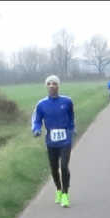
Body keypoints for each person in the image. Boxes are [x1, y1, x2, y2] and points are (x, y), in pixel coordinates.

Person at [32, 75, 76, 208]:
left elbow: (71, 117)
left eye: (54, 83)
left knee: (64, 166)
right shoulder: (41, 104)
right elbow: (37, 120)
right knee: (54, 168)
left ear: (58, 86)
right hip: (51, 141)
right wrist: (37, 129)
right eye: (49, 84)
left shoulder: (67, 101)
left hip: (65, 140)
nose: (52, 86)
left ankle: (65, 194)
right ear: (46, 86)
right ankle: (58, 189)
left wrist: (71, 129)